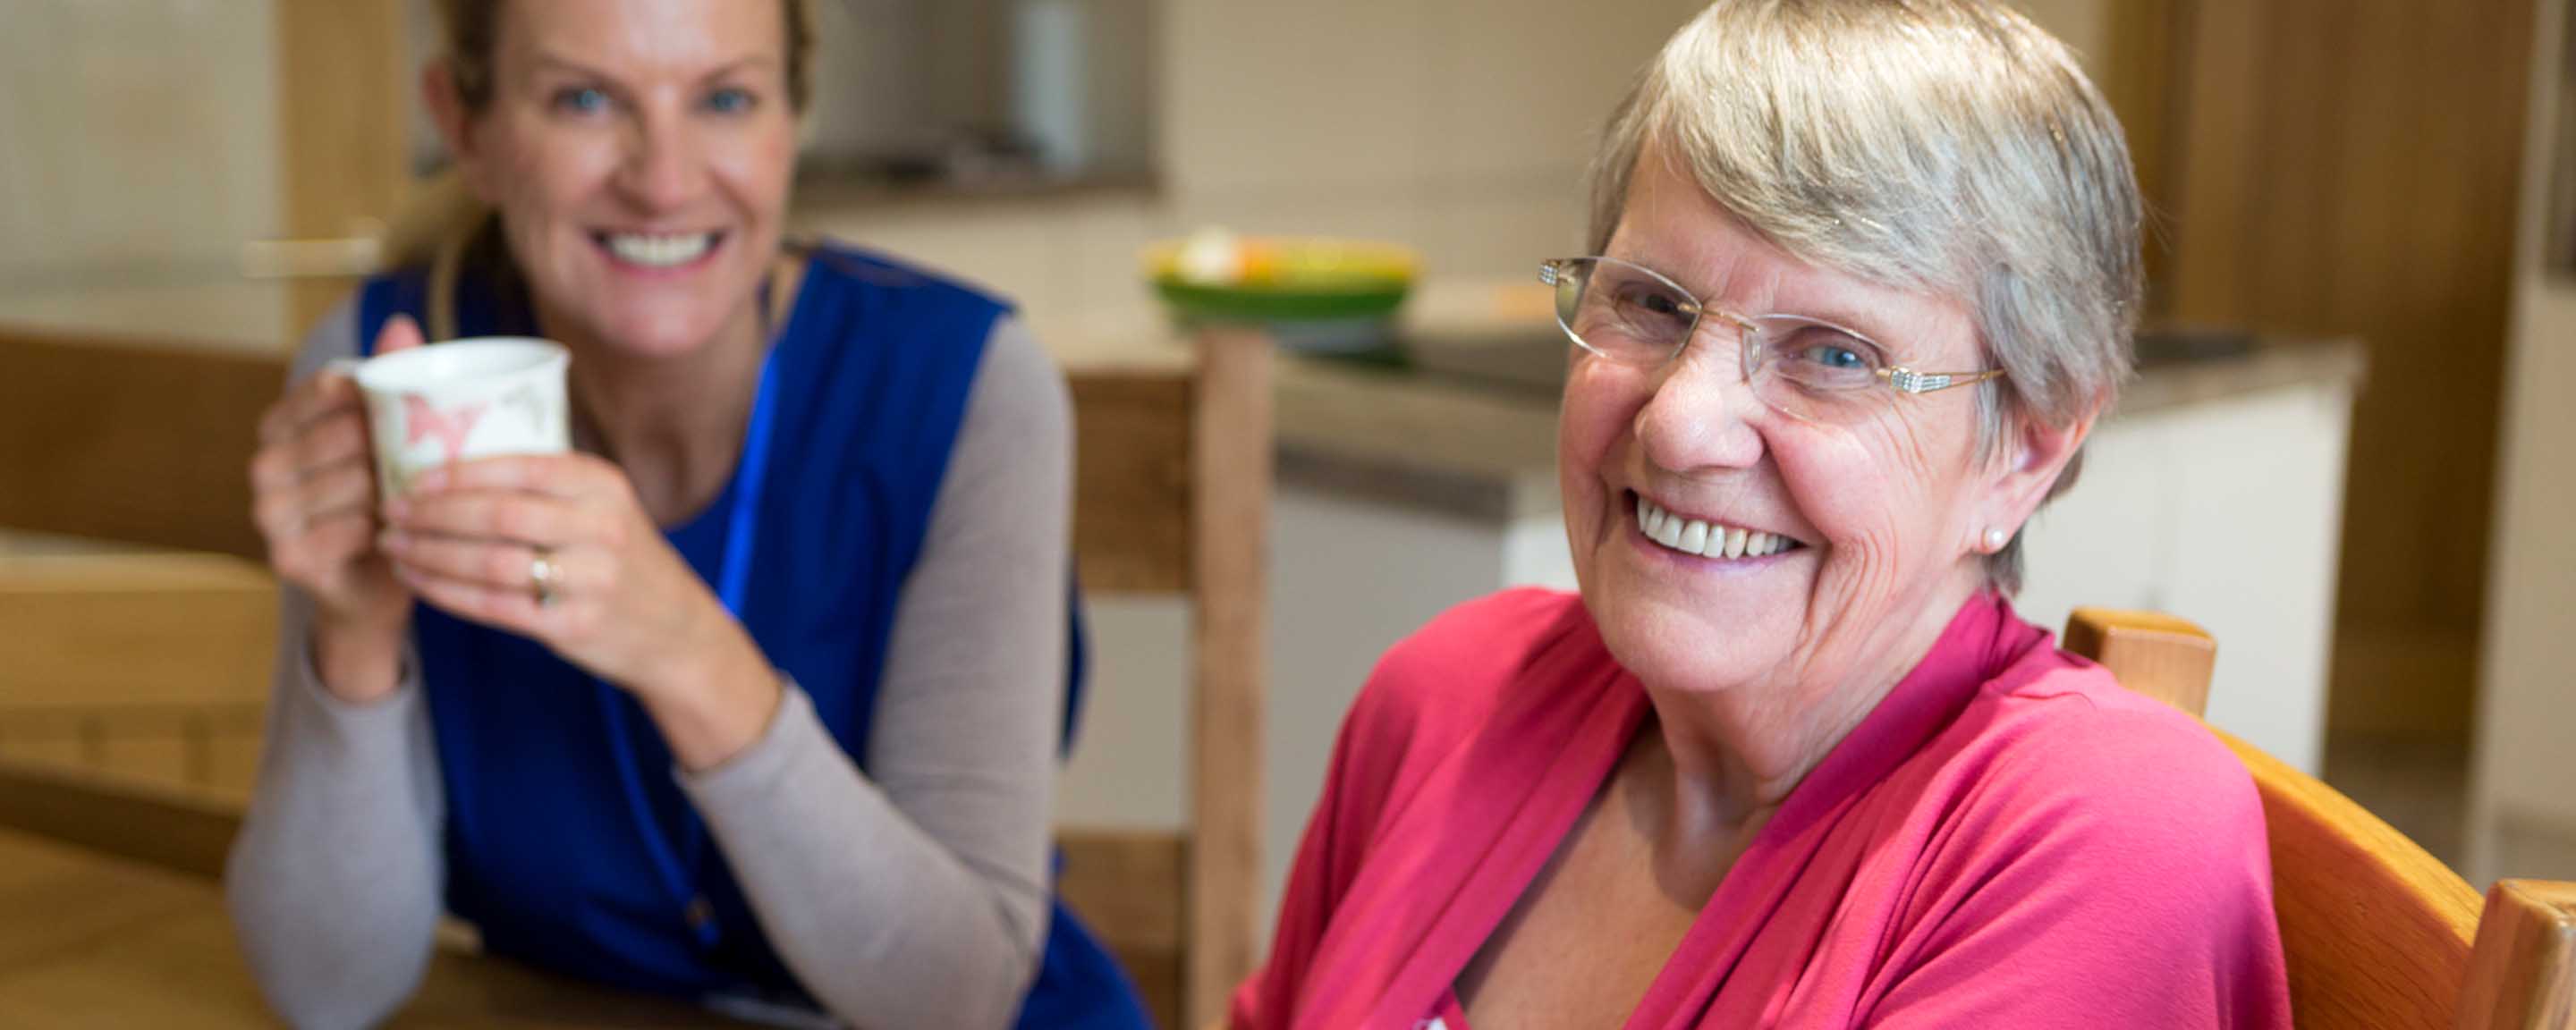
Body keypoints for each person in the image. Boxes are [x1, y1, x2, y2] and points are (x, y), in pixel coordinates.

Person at [1230, 2, 2292, 1026]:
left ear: (2026, 448)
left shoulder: (2105, 841)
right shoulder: (1447, 701)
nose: (1682, 424)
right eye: (1650, 302)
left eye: (1833, 354)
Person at [225, 1, 1146, 1026]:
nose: (663, 181)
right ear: (467, 128)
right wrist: (355, 639)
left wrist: (683, 647)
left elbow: (956, 996)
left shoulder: (965, 390)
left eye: (724, 98)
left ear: (792, 121)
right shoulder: (398, 374)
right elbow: (326, 989)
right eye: (585, 100)